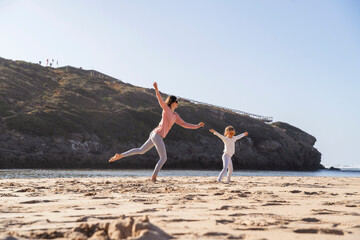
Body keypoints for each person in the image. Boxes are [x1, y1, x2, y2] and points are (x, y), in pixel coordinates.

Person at [109, 82, 205, 182]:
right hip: (157, 135)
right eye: (177, 101)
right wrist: (156, 89)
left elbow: (184, 124)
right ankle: (154, 177)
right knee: (163, 158)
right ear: (173, 102)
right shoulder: (166, 109)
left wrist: (197, 126)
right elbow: (160, 101)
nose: (178, 104)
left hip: (155, 134)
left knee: (141, 150)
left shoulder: (175, 115)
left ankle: (121, 155)